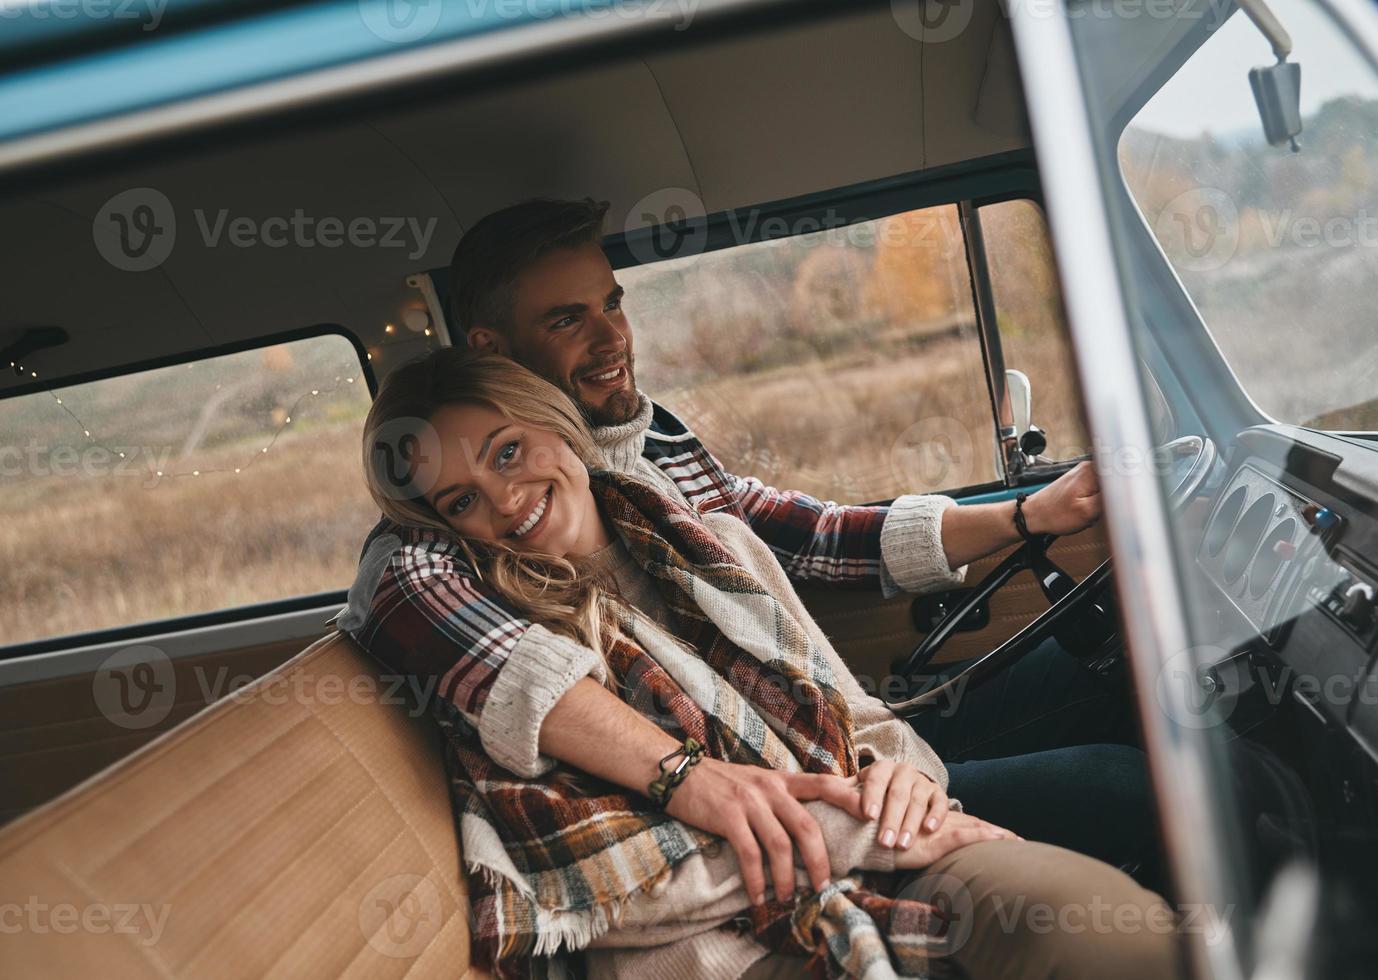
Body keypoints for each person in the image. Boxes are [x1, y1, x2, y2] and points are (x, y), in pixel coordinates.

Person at [338, 197, 1153, 888]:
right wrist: (694, 780)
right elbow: (445, 623)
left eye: (612, 304)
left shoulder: (652, 449)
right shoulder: (435, 545)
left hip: (844, 728)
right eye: (567, 319)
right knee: (1134, 792)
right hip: (791, 795)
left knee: (1125, 672)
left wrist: (1026, 517)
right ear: (490, 349)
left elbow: (811, 535)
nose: (612, 338)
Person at [357, 349, 1181, 979]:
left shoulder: (710, 540)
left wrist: (909, 782)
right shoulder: (485, 643)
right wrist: (864, 830)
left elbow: (853, 709)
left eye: (507, 453)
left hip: (872, 836)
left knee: (1107, 929)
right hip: (722, 943)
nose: (503, 501)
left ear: (556, 425)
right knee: (1116, 799)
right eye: (461, 500)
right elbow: (606, 893)